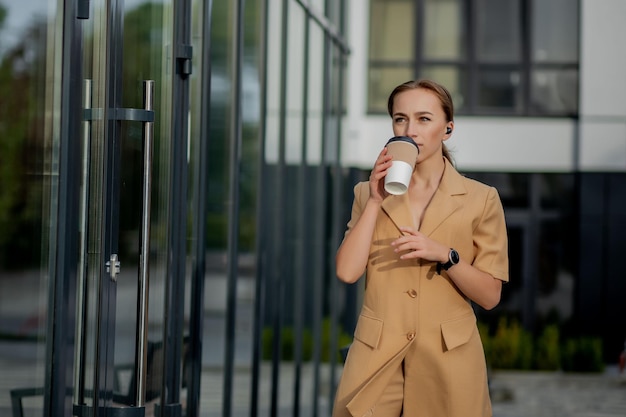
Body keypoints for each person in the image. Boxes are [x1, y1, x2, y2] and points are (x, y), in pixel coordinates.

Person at [332, 79, 509, 417]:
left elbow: (490, 295)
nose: (410, 129)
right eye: (400, 119)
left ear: (448, 128)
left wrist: (446, 256)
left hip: (448, 360)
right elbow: (346, 271)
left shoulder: (481, 199)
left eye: (424, 119)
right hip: (375, 358)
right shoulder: (365, 192)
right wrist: (374, 200)